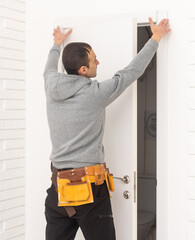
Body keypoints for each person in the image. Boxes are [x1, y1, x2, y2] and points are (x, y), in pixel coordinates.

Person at [43, 17, 171, 240]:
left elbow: (50, 65)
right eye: (94, 60)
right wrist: (156, 37)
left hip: (58, 191)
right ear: (83, 69)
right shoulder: (95, 94)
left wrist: (57, 43)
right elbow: (130, 72)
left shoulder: (50, 84)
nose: (98, 63)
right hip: (89, 191)